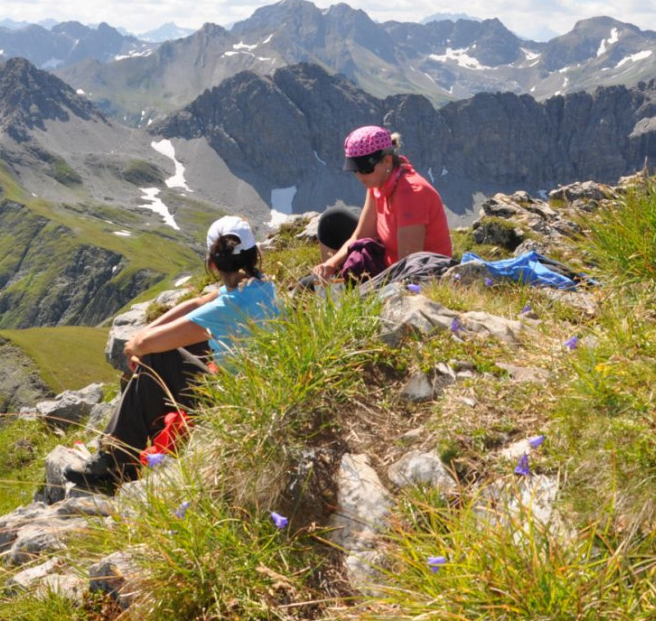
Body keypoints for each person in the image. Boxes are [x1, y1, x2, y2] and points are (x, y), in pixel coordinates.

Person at [66, 215, 278, 491]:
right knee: (176, 350)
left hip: (236, 402)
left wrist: (136, 344)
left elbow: (147, 345)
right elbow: (198, 302)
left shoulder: (228, 308)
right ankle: (132, 442)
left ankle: (116, 461)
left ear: (212, 264)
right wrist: (142, 333)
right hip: (255, 385)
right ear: (255, 254)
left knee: (157, 358)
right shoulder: (260, 286)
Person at [313, 125, 452, 283]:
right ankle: (332, 281)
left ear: (387, 161)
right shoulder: (377, 184)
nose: (359, 176)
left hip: (421, 276)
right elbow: (360, 235)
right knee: (332, 220)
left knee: (308, 287)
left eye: (365, 169)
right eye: (354, 169)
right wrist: (331, 264)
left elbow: (407, 266)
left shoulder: (411, 194)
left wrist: (362, 294)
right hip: (388, 258)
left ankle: (339, 292)